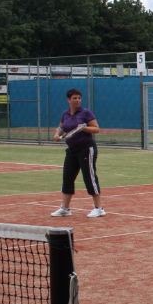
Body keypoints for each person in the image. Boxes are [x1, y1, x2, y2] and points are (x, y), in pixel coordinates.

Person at [51, 88, 105, 218]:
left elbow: (96, 129)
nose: (77, 100)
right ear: (68, 100)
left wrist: (84, 128)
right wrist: (57, 134)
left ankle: (99, 208)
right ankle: (65, 208)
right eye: (74, 98)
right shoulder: (65, 114)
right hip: (72, 150)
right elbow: (61, 127)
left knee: (89, 177)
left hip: (86, 149)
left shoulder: (86, 113)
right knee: (67, 177)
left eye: (79, 98)